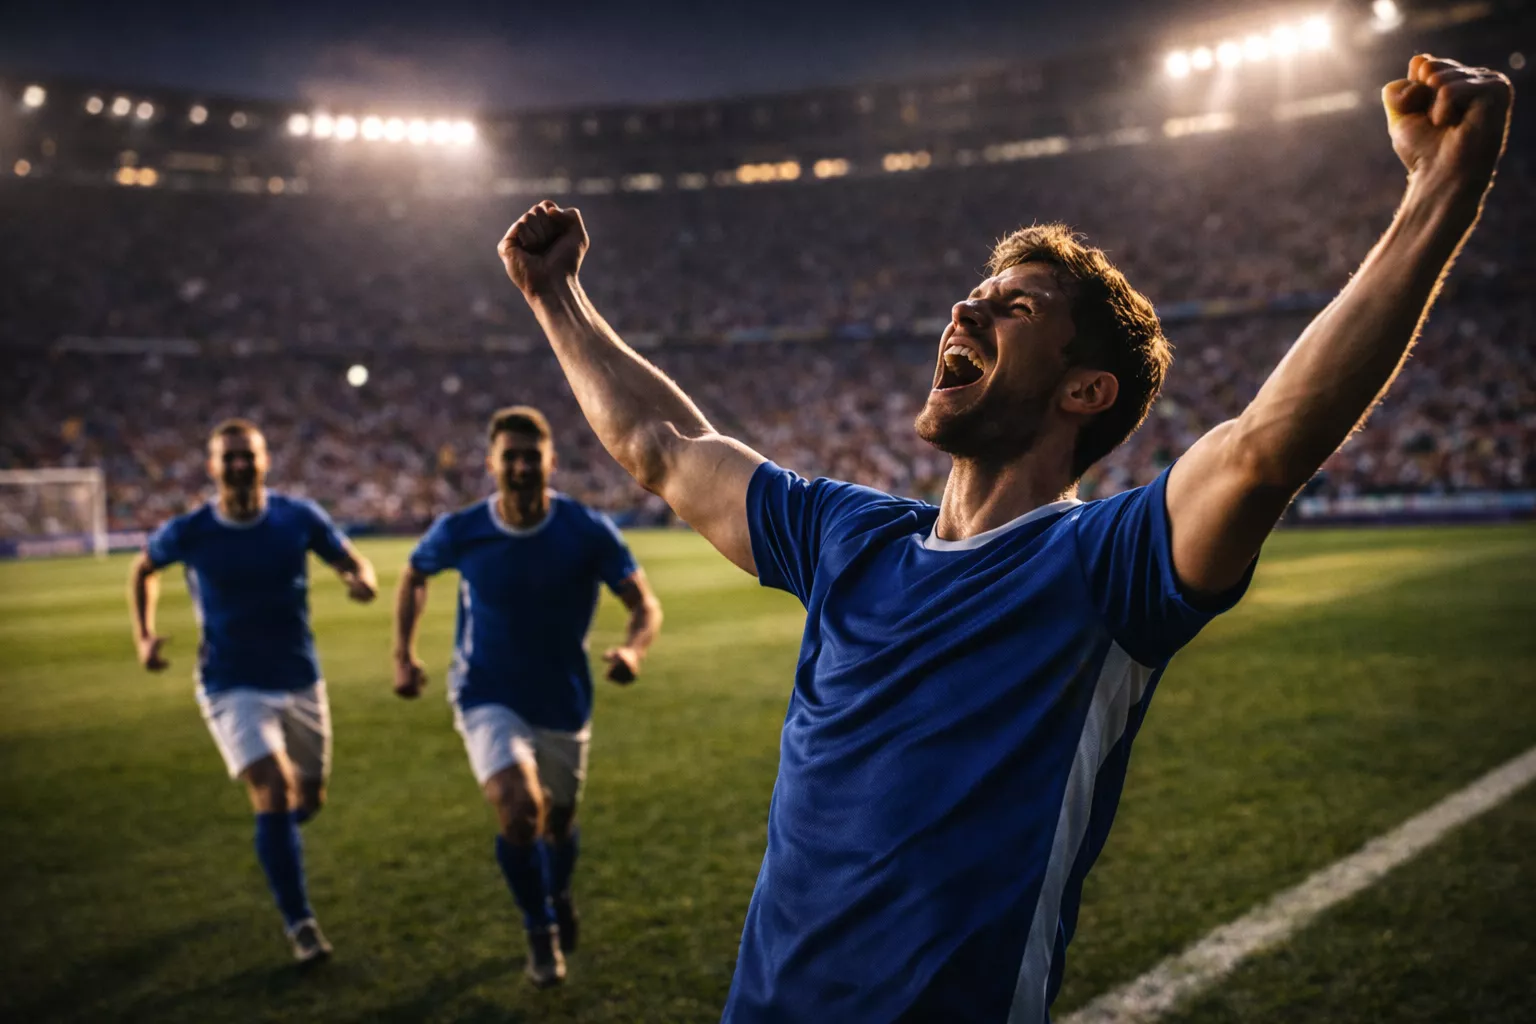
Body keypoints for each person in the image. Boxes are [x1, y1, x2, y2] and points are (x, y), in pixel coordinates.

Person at [495, 55, 1512, 1022]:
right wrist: (558, 296)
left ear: (1085, 391)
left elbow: (1258, 453)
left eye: (1014, 305)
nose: (967, 304)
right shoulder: (848, 536)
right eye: (975, 292)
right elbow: (666, 447)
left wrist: (1439, 192)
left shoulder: (1109, 570)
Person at [392, 405, 663, 988]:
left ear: (551, 462)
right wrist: (403, 654)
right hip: (485, 691)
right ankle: (539, 929)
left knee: (559, 822)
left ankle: (558, 891)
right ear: (491, 464)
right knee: (520, 811)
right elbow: (415, 574)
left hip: (563, 698)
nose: (519, 466)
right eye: (508, 457)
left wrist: (635, 649)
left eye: (529, 456)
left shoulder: (586, 532)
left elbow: (644, 603)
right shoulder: (462, 529)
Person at [127, 418, 377, 963]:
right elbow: (143, 569)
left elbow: (349, 559)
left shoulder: (298, 517)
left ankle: (278, 844)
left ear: (265, 461)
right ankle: (301, 925)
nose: (240, 464)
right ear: (213, 466)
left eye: (249, 455)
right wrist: (144, 636)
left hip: (298, 676)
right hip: (229, 681)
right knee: (274, 787)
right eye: (229, 457)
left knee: (306, 799)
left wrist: (361, 578)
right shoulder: (191, 530)